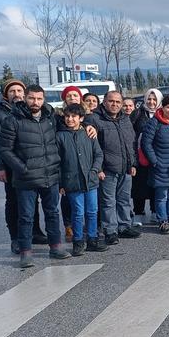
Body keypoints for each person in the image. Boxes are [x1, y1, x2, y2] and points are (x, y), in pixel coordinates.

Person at [0, 84, 71, 268]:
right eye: (31, 98)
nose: (35, 102)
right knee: (26, 216)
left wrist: (89, 127)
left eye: (39, 99)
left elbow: (71, 127)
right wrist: (22, 168)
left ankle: (55, 246)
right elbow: (5, 149)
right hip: (26, 178)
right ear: (25, 98)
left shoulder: (50, 117)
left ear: (43, 99)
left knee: (52, 213)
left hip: (50, 175)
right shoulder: (12, 120)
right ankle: (26, 253)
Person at [0, 79, 46, 253]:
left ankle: (35, 232)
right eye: (12, 91)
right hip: (10, 165)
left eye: (20, 91)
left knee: (32, 200)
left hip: (29, 164)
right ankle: (16, 238)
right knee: (13, 201)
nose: (16, 94)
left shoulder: (30, 110)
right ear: (6, 94)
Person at [56, 103, 108, 256]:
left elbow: (98, 154)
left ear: (81, 118)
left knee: (92, 211)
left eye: (74, 116)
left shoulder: (88, 133)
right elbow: (57, 162)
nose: (70, 119)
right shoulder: (60, 136)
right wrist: (61, 183)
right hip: (72, 181)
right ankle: (78, 241)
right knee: (78, 212)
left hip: (90, 180)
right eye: (67, 116)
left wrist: (95, 170)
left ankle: (92, 239)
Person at [92, 90, 140, 244]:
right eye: (111, 101)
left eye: (118, 102)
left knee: (124, 199)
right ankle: (110, 231)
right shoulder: (95, 119)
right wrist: (99, 169)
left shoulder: (125, 119)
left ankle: (124, 226)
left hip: (126, 168)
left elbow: (131, 143)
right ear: (104, 102)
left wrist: (133, 163)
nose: (115, 104)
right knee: (108, 202)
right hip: (107, 169)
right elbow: (93, 147)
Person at [140, 94, 169, 235]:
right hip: (160, 166)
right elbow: (146, 144)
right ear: (163, 107)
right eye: (168, 107)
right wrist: (154, 161)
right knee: (161, 196)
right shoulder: (154, 122)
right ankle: (163, 221)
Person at [130, 88, 162, 224]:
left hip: (157, 155)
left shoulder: (162, 113)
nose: (151, 102)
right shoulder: (137, 113)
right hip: (140, 156)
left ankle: (155, 211)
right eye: (149, 99)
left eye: (155, 99)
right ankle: (138, 212)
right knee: (139, 186)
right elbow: (130, 134)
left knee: (155, 184)